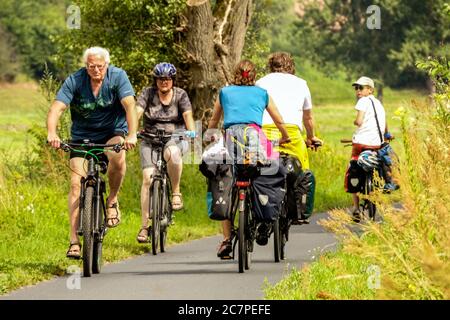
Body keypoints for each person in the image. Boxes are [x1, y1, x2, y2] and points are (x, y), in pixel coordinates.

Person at [47, 46, 138, 259]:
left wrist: (132, 134)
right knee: (75, 184)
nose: (96, 70)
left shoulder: (118, 76)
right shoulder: (75, 80)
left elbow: (130, 105)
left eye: (99, 66)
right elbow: (57, 108)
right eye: (91, 66)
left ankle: (113, 200)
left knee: (118, 157)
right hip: (82, 136)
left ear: (106, 64)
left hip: (112, 132)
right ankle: (74, 241)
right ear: (85, 66)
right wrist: (52, 133)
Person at [207, 59, 290, 259]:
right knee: (270, 170)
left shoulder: (225, 92)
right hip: (255, 137)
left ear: (235, 73)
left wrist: (210, 135)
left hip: (230, 139)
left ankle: (227, 240)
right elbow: (278, 119)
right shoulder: (262, 93)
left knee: (224, 181)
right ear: (253, 75)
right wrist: (285, 136)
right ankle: (265, 218)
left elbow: (214, 120)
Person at [256, 51, 322, 226]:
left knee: (260, 168)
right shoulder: (301, 84)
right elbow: (308, 118)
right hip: (291, 133)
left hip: (266, 132)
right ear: (291, 66)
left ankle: (259, 209)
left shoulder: (260, 82)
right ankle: (299, 212)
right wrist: (311, 137)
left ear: (271, 65)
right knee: (303, 172)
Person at [135, 62, 196, 243]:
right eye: (161, 79)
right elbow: (137, 111)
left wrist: (191, 131)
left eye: (168, 79)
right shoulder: (147, 93)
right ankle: (145, 227)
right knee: (147, 178)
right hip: (150, 139)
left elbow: (187, 116)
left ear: (172, 80)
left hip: (174, 137)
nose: (164, 82)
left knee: (173, 154)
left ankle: (176, 192)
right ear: (156, 80)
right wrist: (130, 130)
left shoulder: (181, 95)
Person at [346, 76, 397, 222]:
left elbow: (359, 121)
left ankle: (356, 208)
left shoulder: (362, 101)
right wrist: (386, 134)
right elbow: (385, 123)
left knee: (352, 167)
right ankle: (379, 186)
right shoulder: (379, 104)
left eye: (361, 88)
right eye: (356, 88)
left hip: (361, 144)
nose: (358, 91)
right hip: (377, 144)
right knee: (379, 164)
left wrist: (356, 121)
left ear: (370, 89)